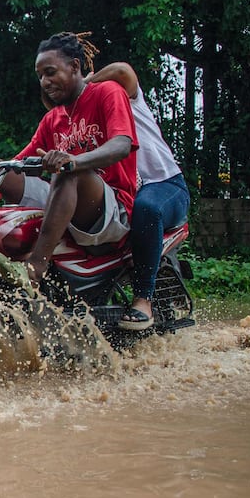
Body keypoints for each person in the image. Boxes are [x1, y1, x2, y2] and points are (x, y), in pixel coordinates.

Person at [0, 32, 139, 295]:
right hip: (65, 196)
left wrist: (73, 161)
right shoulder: (53, 118)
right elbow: (19, 163)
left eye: (50, 72)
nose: (45, 82)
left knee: (68, 171)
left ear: (75, 67)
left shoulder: (106, 92)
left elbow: (122, 145)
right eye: (40, 76)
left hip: (112, 208)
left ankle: (34, 269)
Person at [85, 62, 191, 331]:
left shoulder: (117, 97)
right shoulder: (76, 121)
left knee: (147, 207)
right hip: (120, 195)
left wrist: (87, 84)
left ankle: (143, 299)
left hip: (164, 186)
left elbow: (122, 71)